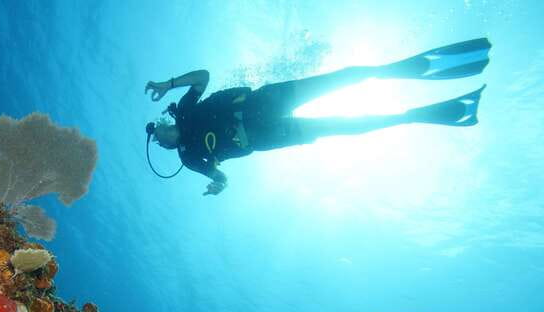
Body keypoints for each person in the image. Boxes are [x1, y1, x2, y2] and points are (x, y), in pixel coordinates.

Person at [144, 38, 491, 196]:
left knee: (342, 77)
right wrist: (218, 185)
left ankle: (398, 69)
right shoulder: (188, 157)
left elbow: (203, 75)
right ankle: (411, 115)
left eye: (158, 128)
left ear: (165, 122)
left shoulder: (185, 110)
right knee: (345, 126)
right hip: (269, 136)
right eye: (157, 137)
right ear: (161, 146)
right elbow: (219, 175)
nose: (160, 133)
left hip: (263, 102)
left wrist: (168, 83)